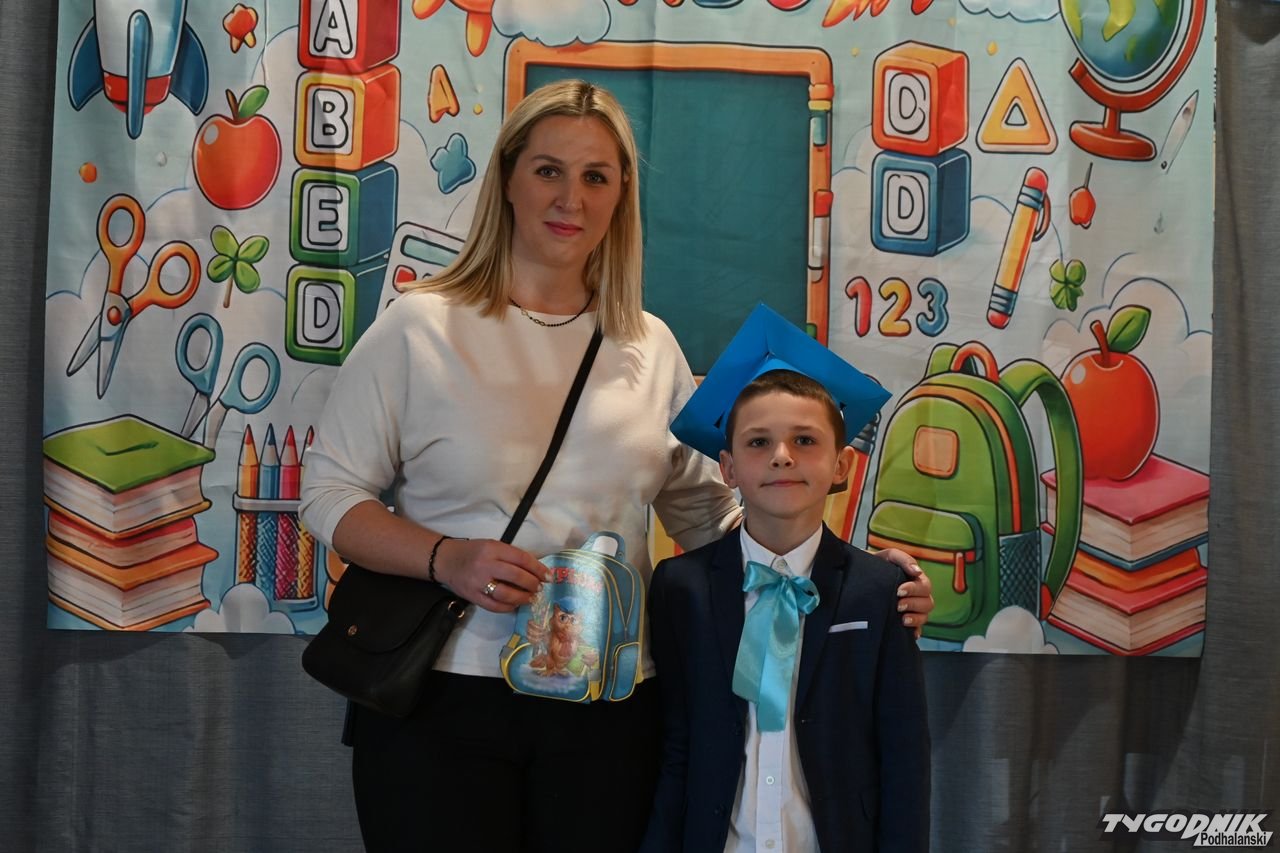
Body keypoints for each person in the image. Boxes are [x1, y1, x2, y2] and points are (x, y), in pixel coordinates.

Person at [298, 79, 933, 853]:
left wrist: (854, 581)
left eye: (595, 176)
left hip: (608, 711)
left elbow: (716, 519)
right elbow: (328, 495)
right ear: (508, 178)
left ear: (621, 195)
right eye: (549, 170)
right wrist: (446, 557)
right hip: (441, 697)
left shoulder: (649, 347)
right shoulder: (419, 329)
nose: (571, 197)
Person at [641, 308, 930, 853]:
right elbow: (674, 746)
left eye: (804, 440)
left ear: (841, 466)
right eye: (758, 442)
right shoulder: (681, 588)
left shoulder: (877, 591)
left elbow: (903, 758)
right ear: (727, 468)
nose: (781, 456)